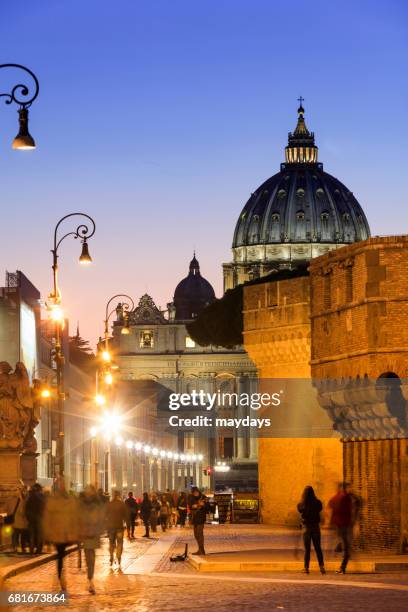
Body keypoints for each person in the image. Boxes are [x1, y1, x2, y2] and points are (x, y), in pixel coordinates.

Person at [43, 478, 79, 591]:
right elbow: (47, 518)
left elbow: (75, 518)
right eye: (60, 485)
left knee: (61, 555)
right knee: (60, 555)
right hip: (57, 533)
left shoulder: (70, 500)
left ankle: (60, 574)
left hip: (66, 533)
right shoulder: (53, 500)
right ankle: (60, 575)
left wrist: (75, 531)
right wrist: (48, 533)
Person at [329, 482, 359, 574]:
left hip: (340, 525)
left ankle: (342, 565)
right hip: (345, 525)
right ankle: (343, 566)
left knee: (345, 545)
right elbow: (353, 509)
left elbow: (331, 506)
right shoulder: (346, 498)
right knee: (346, 546)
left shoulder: (338, 498)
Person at [78, 485, 103, 594]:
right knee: (89, 558)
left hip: (93, 534)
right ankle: (90, 579)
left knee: (91, 558)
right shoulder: (82, 504)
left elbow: (100, 519)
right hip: (86, 534)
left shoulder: (96, 504)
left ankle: (90, 579)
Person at [297, 486, 325, 574]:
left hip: (306, 528)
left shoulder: (301, 504)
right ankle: (321, 567)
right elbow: (320, 509)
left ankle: (306, 568)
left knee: (307, 549)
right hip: (316, 527)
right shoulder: (318, 503)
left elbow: (299, 510)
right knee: (318, 548)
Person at [105, 490, 127, 568]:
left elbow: (105, 515)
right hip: (119, 527)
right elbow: (126, 516)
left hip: (111, 527)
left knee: (111, 542)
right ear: (119, 495)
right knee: (120, 542)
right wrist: (128, 526)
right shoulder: (122, 504)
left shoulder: (109, 504)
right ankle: (118, 556)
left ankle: (111, 556)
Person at [25, 483, 46, 554]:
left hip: (31, 519)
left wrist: (28, 518)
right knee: (39, 535)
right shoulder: (42, 497)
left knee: (32, 535)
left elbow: (26, 508)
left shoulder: (30, 497)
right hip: (40, 519)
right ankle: (39, 550)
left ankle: (31, 549)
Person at [188, 487, 209, 555]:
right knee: (196, 534)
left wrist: (204, 505)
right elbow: (190, 506)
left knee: (200, 533)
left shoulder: (203, 497)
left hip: (201, 517)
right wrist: (195, 505)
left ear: (198, 491)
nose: (195, 493)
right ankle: (200, 549)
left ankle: (202, 549)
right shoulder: (191, 497)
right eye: (194, 492)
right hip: (194, 518)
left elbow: (208, 507)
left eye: (196, 492)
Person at [12, 488, 29, 553]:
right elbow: (22, 512)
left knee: (15, 535)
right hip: (22, 522)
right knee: (22, 537)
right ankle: (22, 548)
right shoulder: (23, 502)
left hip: (16, 522)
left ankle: (15, 547)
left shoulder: (12, 500)